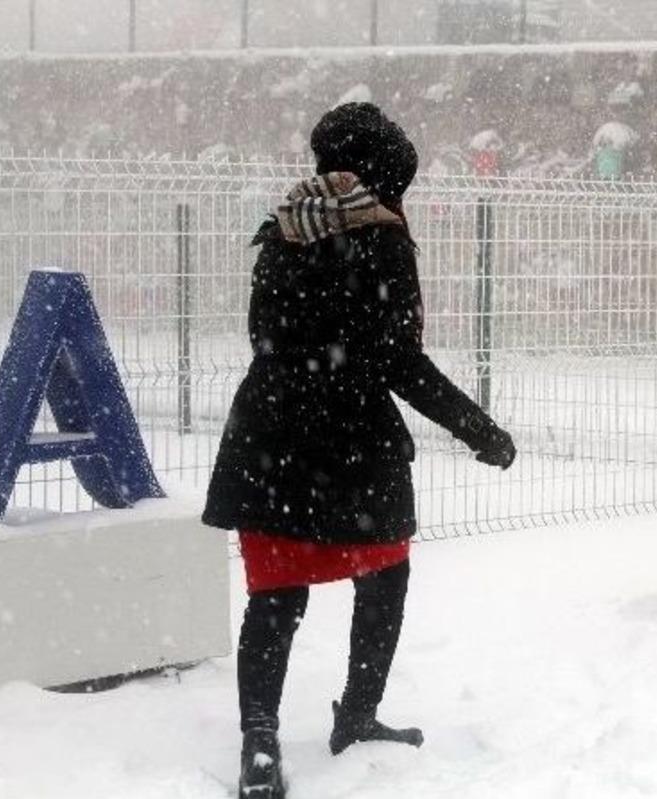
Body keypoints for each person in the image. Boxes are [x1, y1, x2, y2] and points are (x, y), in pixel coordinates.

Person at [202, 102, 517, 799]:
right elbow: (401, 362)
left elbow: (264, 337)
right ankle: (359, 713)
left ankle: (260, 742)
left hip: (270, 438)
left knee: (274, 597)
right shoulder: (381, 239)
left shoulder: (282, 229)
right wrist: (478, 428)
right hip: (351, 444)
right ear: (384, 172)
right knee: (383, 578)